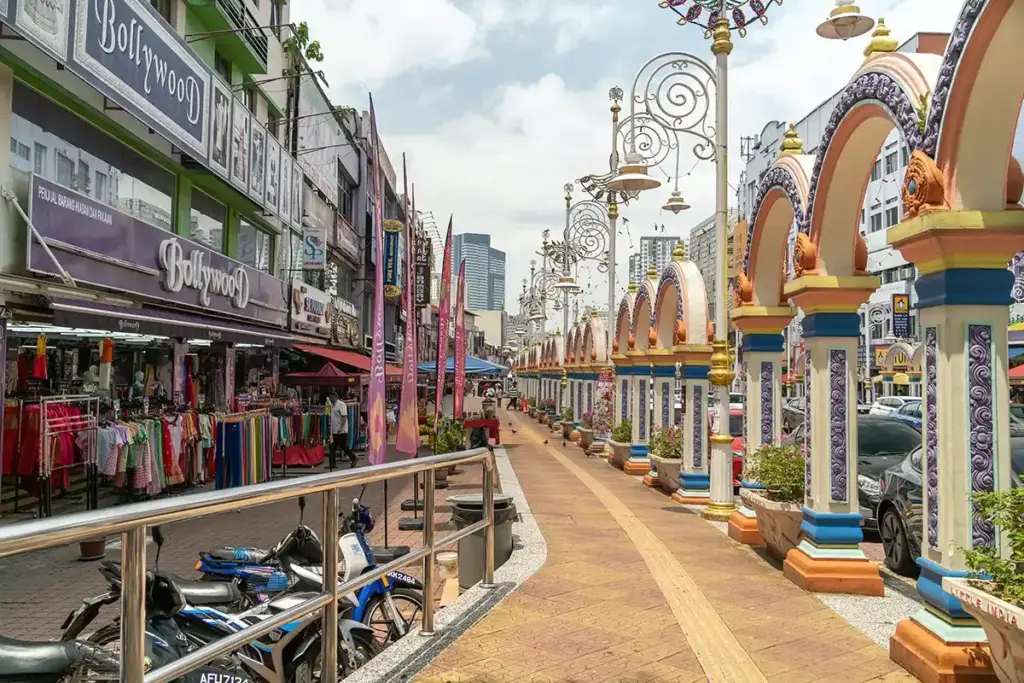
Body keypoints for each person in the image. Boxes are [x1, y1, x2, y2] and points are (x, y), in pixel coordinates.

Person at [329, 391, 356, 469]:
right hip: (333, 430)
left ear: (334, 397)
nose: (330, 399)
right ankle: (332, 463)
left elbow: (344, 417)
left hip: (341, 431)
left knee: (343, 446)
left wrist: (340, 428)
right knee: (332, 447)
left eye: (331, 397)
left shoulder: (341, 405)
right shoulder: (331, 405)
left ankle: (353, 457)